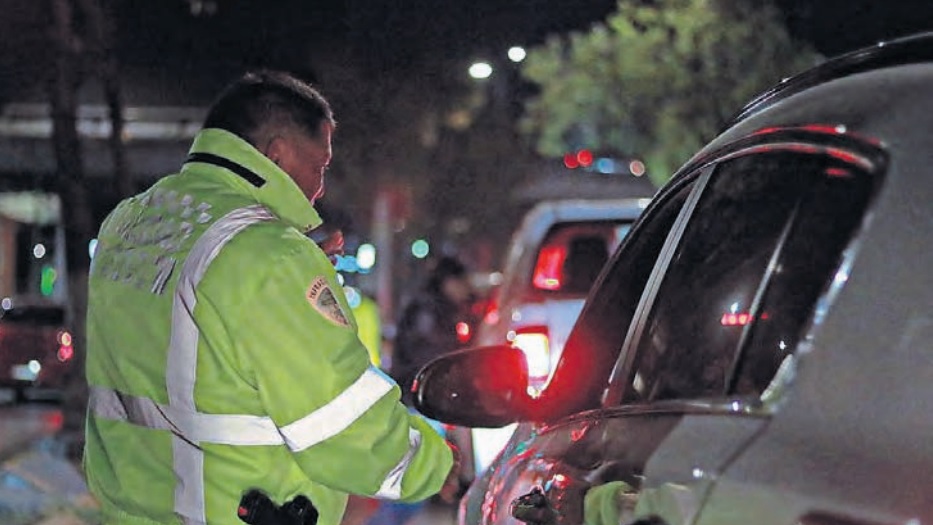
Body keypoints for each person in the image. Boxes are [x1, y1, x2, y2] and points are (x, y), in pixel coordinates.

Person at [83, 69, 459, 525]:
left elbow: (182, 348)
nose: (319, 188)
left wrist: (289, 273)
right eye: (319, 166)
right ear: (276, 154)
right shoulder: (269, 257)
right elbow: (343, 430)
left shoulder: (129, 223)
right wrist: (437, 465)